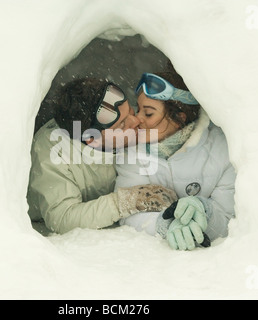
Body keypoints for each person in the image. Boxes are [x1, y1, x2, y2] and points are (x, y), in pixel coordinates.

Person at [27, 77, 178, 234]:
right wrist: (123, 202)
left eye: (131, 111)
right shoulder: (53, 153)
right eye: (122, 124)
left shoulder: (114, 118)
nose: (136, 121)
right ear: (92, 139)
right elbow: (62, 218)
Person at [115, 67, 236, 251]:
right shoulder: (131, 153)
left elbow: (228, 217)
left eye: (148, 113)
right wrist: (164, 224)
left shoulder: (223, 151)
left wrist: (204, 211)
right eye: (138, 109)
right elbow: (128, 212)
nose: (137, 119)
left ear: (179, 118)